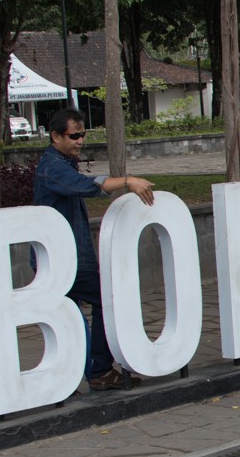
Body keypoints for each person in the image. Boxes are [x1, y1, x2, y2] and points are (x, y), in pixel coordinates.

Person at [33, 108, 155, 392]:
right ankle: (99, 370)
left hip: (67, 258)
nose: (80, 141)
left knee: (72, 317)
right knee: (105, 300)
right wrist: (127, 181)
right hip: (63, 262)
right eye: (74, 135)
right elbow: (86, 186)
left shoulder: (60, 162)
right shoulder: (52, 167)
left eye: (82, 134)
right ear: (55, 136)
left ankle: (71, 374)